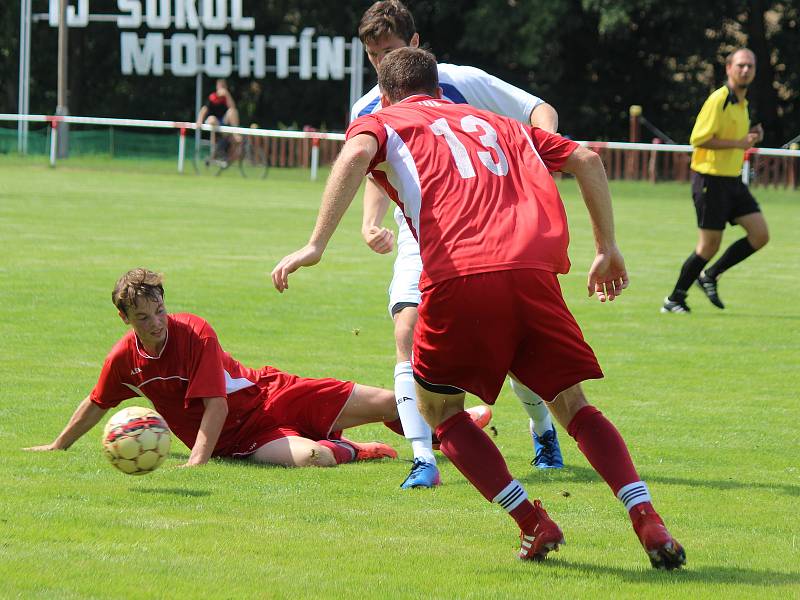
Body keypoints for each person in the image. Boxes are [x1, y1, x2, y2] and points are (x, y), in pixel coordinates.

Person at [272, 47, 685, 569]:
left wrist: (315, 245)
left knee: (440, 411)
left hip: (460, 274)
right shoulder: (497, 122)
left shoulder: (384, 119)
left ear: (387, 92)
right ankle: (646, 514)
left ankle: (532, 522)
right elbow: (586, 158)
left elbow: (354, 156)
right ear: (439, 87)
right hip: (534, 270)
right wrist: (606, 248)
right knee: (572, 405)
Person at [351, 0, 564, 489]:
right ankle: (423, 459)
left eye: (391, 51)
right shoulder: (367, 107)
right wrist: (368, 223)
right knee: (406, 332)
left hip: (491, 228)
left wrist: (538, 162)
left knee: (512, 344)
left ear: (416, 45)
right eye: (374, 55)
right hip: (420, 235)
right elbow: (370, 165)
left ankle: (542, 428)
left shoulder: (461, 80)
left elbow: (539, 110)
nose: (383, 64)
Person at [24, 268, 404, 468]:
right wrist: (59, 445)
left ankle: (448, 431)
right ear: (124, 318)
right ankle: (355, 449)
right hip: (238, 441)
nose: (156, 323)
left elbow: (217, 404)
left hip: (273, 394)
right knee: (313, 458)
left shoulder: (195, 332)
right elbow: (97, 401)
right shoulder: (124, 358)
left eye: (159, 311)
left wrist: (194, 462)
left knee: (391, 402)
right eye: (143, 317)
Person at [662, 48, 769, 313]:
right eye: (741, 65)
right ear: (729, 68)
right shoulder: (719, 99)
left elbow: (735, 139)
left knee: (760, 235)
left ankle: (709, 276)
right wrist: (739, 143)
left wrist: (752, 136)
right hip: (710, 180)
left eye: (750, 66)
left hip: (732, 181)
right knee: (709, 245)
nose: (746, 70)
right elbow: (698, 139)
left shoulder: (742, 103)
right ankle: (674, 299)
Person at [196, 79, 241, 165]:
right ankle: (214, 149)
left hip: (223, 122)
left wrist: (227, 95)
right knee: (213, 119)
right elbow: (203, 110)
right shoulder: (212, 97)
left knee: (232, 111)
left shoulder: (227, 98)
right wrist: (199, 121)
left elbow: (232, 108)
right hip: (213, 121)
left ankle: (235, 134)